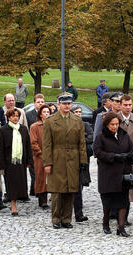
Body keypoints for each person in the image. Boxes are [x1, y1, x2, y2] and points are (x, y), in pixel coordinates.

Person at [42, 92, 87, 229]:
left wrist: (83, 161)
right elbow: (47, 144)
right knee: (57, 190)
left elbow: (82, 143)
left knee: (70, 189)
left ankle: (67, 219)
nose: (67, 106)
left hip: (73, 159)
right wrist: (47, 163)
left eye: (69, 103)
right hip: (57, 158)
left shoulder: (77, 120)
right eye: (64, 103)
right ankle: (56, 218)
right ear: (58, 104)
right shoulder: (50, 121)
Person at [93, 112, 133, 237]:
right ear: (107, 124)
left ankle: (120, 227)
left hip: (122, 173)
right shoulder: (101, 137)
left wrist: (127, 156)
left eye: (116, 124)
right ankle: (106, 223)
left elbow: (132, 150)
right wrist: (113, 156)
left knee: (123, 201)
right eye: (112, 124)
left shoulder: (124, 135)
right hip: (108, 174)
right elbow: (98, 152)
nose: (115, 127)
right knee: (108, 201)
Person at [0, 108, 33, 215]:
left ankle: (19, 199)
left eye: (17, 116)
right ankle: (13, 205)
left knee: (20, 183)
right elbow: (0, 149)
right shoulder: (3, 130)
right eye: (13, 116)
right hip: (9, 162)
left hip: (21, 161)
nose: (15, 118)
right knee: (11, 184)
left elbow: (27, 146)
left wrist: (29, 161)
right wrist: (2, 164)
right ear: (8, 117)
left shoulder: (23, 129)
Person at [118, 94, 133, 225]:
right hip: (117, 159)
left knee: (130, 188)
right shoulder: (114, 119)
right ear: (120, 105)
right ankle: (116, 215)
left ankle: (124, 217)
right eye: (125, 105)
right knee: (117, 188)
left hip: (132, 159)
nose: (128, 107)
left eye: (130, 105)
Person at [71, 105, 94, 222]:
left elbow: (90, 138)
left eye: (80, 112)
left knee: (80, 186)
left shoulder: (86, 125)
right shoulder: (70, 125)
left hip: (83, 159)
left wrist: (81, 139)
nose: (79, 114)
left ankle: (79, 213)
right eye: (76, 112)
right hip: (70, 159)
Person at [30, 104, 51, 209]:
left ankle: (50, 197)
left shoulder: (52, 125)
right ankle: (42, 200)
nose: (46, 114)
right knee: (41, 177)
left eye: (48, 112)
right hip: (40, 156)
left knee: (50, 177)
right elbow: (33, 143)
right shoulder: (34, 126)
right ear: (40, 114)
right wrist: (40, 153)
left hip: (51, 156)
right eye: (44, 112)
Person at [25, 93, 45, 196]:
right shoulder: (28, 115)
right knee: (34, 170)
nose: (40, 104)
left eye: (42, 102)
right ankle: (34, 190)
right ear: (34, 103)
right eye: (38, 102)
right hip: (32, 146)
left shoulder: (47, 113)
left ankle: (38, 191)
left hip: (44, 146)